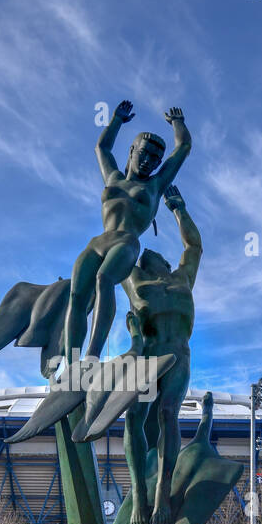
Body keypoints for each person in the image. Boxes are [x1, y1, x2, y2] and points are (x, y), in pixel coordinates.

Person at [63, 100, 190, 362]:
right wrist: (116, 120)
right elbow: (102, 147)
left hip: (126, 242)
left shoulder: (155, 185)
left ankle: (92, 356)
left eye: (155, 159)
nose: (149, 162)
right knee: (76, 295)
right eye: (144, 153)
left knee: (104, 279)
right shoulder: (113, 178)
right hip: (98, 242)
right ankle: (72, 362)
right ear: (132, 151)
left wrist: (178, 123)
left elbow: (183, 147)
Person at [121, 183, 200, 524]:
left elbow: (194, 246)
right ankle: (139, 494)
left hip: (177, 355)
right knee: (133, 414)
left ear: (166, 262)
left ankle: (162, 495)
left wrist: (177, 207)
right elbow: (118, 240)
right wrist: (138, 202)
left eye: (150, 254)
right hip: (148, 356)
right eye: (140, 256)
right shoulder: (134, 279)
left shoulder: (182, 278)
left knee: (169, 412)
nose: (143, 257)